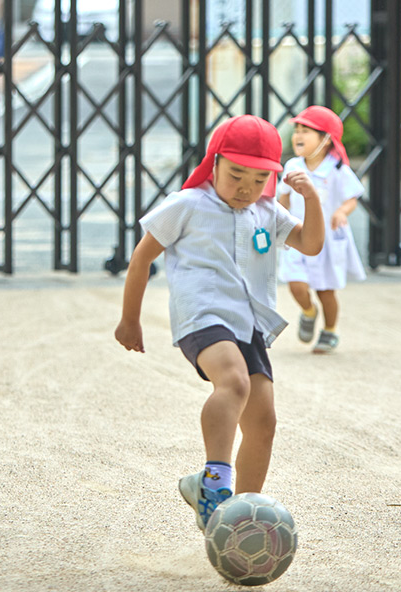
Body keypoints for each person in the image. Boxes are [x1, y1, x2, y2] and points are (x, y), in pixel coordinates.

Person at [114, 115, 324, 532]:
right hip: (203, 315)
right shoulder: (187, 204)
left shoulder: (266, 211)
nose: (246, 186)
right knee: (234, 383)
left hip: (248, 323)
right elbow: (141, 258)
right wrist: (129, 319)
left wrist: (311, 199)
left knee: (263, 423)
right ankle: (214, 485)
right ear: (214, 163)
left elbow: (311, 244)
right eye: (236, 174)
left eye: (260, 177)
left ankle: (239, 520)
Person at [277, 106, 367, 354]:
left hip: (327, 241)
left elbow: (352, 198)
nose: (298, 135)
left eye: (306, 130)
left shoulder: (337, 170)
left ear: (326, 139)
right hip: (297, 236)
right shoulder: (293, 166)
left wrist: (341, 212)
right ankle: (308, 311)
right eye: (296, 130)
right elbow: (282, 199)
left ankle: (329, 330)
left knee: (326, 290)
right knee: (296, 284)